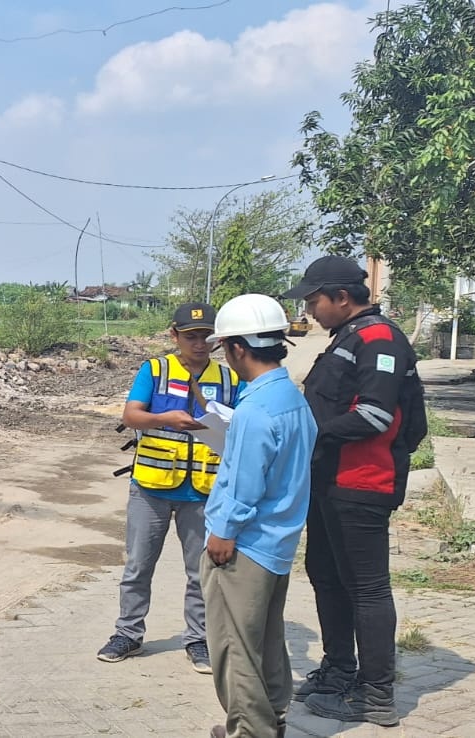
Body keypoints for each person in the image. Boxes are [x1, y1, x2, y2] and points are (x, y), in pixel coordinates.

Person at [280, 255, 426, 726]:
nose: (310, 310)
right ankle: (339, 668)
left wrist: (305, 433)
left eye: (314, 300)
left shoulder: (380, 338)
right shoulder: (348, 336)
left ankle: (376, 694)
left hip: (363, 483)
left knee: (366, 588)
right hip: (330, 481)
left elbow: (376, 416)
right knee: (325, 574)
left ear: (342, 297)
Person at [99, 302, 246, 674]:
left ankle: (197, 639)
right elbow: (130, 415)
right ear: (174, 335)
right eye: (191, 336)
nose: (199, 344)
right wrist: (163, 418)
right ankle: (128, 634)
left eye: (206, 337)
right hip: (151, 486)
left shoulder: (229, 379)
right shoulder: (155, 369)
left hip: (203, 490)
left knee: (200, 571)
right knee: (138, 566)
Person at [198, 293, 317, 738]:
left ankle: (251, 730)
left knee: (235, 645)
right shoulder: (291, 398)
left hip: (245, 543)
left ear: (237, 348)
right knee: (265, 639)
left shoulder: (254, 409)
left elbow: (245, 483)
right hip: (278, 539)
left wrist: (223, 532)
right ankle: (273, 716)